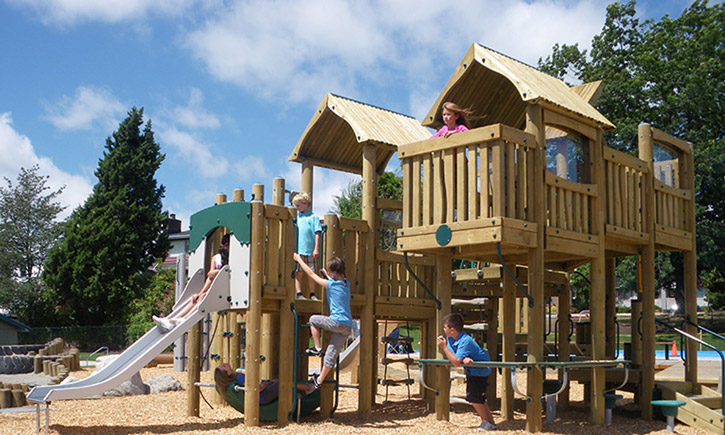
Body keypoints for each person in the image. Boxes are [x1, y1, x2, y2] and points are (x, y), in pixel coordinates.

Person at [293, 254, 353, 391]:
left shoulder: (330, 284)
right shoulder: (346, 284)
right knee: (331, 355)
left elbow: (310, 274)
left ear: (332, 272)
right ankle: (318, 382)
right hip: (347, 326)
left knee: (313, 319)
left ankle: (318, 348)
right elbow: (334, 279)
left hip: (336, 322)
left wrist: (299, 260)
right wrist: (327, 274)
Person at [153, 233, 230, 332]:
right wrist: (201, 292)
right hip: (214, 288)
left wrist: (217, 272)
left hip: (224, 289)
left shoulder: (233, 257)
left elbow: (222, 272)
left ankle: (185, 318)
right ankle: (169, 321)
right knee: (195, 298)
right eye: (224, 246)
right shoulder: (217, 258)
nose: (225, 248)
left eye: (227, 245)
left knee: (203, 297)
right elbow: (210, 276)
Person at [438, 312, 496, 431]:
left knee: (474, 398)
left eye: (445, 327)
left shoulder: (465, 341)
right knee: (479, 398)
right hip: (472, 372)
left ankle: (487, 422)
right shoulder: (450, 339)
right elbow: (455, 356)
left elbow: (454, 362)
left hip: (480, 372)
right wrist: (462, 358)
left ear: (452, 329)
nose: (443, 329)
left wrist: (444, 347)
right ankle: (490, 422)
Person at [214, 363, 314, 403]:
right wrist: (265, 385)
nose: (225, 364)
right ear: (227, 373)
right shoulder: (239, 377)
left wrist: (268, 383)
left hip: (261, 396)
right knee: (286, 383)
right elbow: (256, 389)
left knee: (277, 381)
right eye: (224, 366)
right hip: (262, 397)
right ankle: (309, 388)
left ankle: (304, 390)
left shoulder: (234, 379)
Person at [292, 192, 322, 300]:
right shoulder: (297, 218)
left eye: (299, 205)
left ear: (306, 204)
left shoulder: (313, 218)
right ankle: (299, 293)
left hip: (310, 250)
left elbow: (317, 233)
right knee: (298, 273)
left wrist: (316, 248)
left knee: (311, 272)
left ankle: (312, 293)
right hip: (299, 250)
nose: (297, 208)